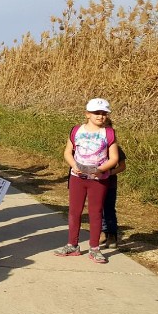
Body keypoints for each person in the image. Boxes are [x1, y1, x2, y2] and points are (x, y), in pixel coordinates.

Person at [56, 98, 120, 264]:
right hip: (78, 177)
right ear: (87, 114)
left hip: (98, 179)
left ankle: (94, 248)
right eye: (96, 113)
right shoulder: (76, 130)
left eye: (104, 113)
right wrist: (73, 165)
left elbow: (114, 158)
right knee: (74, 211)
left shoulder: (109, 133)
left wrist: (100, 170)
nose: (101, 116)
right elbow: (67, 152)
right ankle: (72, 244)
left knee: (96, 212)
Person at [100, 115, 127, 249]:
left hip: (110, 184)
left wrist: (108, 173)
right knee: (98, 210)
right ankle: (104, 234)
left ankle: (112, 236)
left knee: (109, 209)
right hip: (96, 183)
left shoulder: (116, 148)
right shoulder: (92, 147)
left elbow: (122, 166)